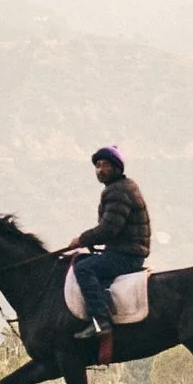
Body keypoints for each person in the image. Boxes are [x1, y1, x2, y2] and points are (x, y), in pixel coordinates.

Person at [62, 145, 151, 352]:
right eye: (98, 166)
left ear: (117, 168)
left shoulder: (118, 191)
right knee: (83, 262)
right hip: (123, 250)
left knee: (84, 269)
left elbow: (110, 228)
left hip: (127, 254)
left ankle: (101, 321)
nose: (100, 170)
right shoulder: (120, 188)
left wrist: (82, 239)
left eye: (105, 165)